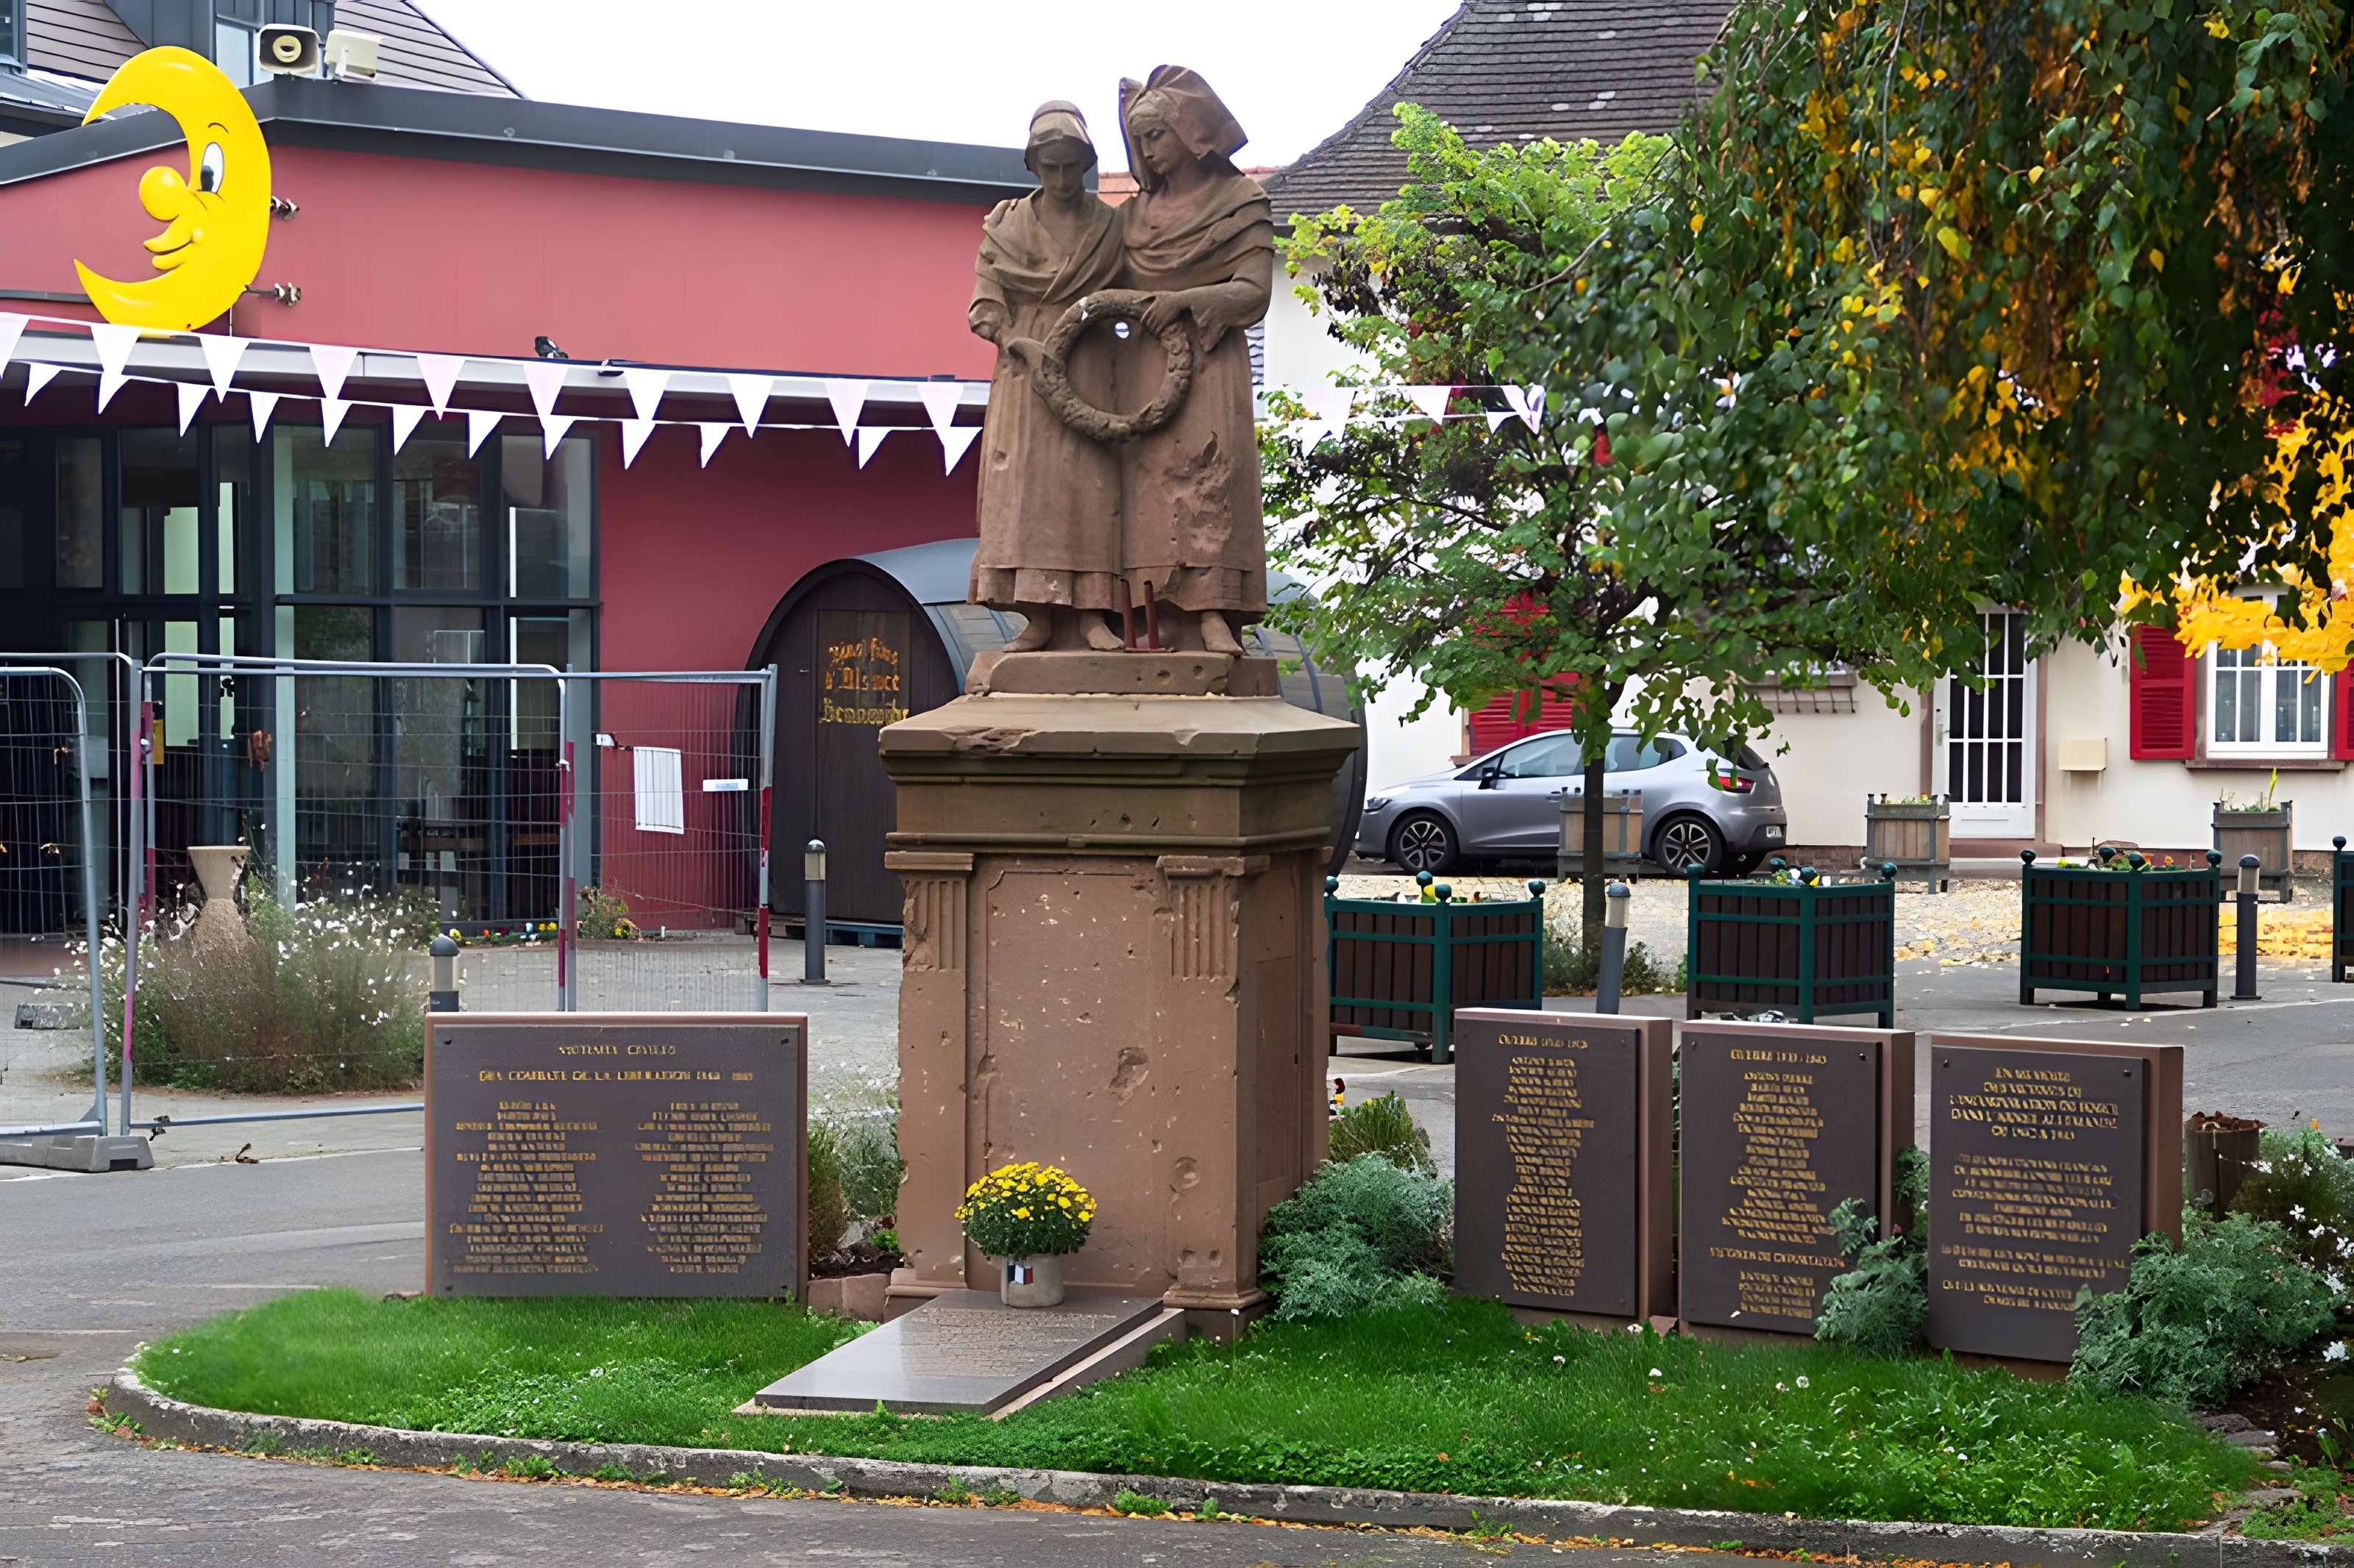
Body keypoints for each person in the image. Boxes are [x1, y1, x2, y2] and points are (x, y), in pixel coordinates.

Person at [1114, 65, 1274, 655]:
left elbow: (1254, 293)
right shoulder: (1131, 217)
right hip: (1141, 369)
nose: (1148, 151)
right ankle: (1148, 616)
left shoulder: (1241, 202)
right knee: (1148, 494)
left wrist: (1183, 300)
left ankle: (1213, 612)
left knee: (1211, 484)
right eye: (1140, 140)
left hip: (1210, 365)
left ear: (1188, 130)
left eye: (1156, 135)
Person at [967, 101, 1126, 652]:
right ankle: (1036, 616)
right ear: (1033, 164)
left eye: (1071, 166)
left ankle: (1091, 615)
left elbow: (1135, 292)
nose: (1060, 179)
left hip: (1090, 364)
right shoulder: (1006, 224)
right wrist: (1018, 343)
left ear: (1085, 162)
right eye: (1050, 166)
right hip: (1023, 373)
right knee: (1028, 492)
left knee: (1092, 486)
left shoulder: (1109, 225)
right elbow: (985, 308)